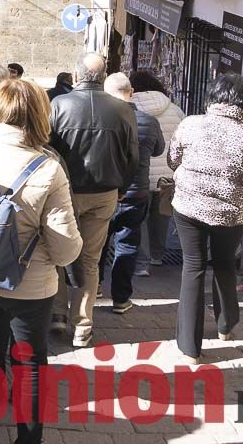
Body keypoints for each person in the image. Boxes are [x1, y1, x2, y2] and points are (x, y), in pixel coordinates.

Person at [0, 79, 82, 444]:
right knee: (29, 369)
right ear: (40, 115)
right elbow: (67, 248)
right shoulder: (48, 169)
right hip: (29, 286)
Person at [167, 73, 243, 362]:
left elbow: (173, 160)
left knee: (193, 267)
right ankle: (226, 326)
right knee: (225, 264)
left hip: (188, 207)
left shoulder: (190, 125)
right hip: (232, 213)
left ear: (212, 98)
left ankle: (190, 349)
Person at [47, 53, 138, 346]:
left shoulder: (59, 105)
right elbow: (132, 156)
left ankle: (59, 314)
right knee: (90, 259)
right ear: (103, 77)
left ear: (76, 77)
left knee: (58, 253)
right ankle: (82, 325)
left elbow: (47, 148)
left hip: (65, 190)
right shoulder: (123, 110)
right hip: (104, 192)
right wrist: (121, 187)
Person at [100, 73, 164, 314]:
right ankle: (120, 297)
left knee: (98, 242)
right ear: (132, 91)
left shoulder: (103, 119)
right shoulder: (148, 120)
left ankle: (95, 288)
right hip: (136, 192)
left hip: (105, 189)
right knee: (127, 243)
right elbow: (158, 150)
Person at [129, 71, 185, 275]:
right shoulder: (175, 110)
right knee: (161, 216)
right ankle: (157, 255)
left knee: (139, 218)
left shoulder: (129, 109)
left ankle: (141, 261)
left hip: (140, 172)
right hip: (166, 174)